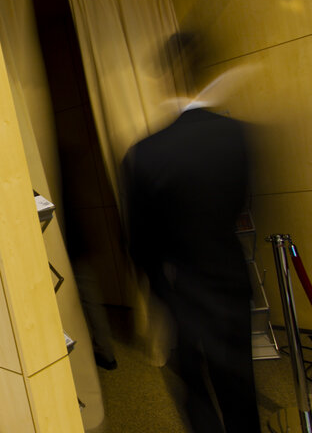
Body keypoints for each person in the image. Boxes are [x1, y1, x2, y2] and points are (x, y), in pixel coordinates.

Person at [121, 35, 260, 433]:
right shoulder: (237, 135)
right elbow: (243, 204)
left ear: (165, 76)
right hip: (230, 278)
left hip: (181, 288)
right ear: (202, 70)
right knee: (239, 384)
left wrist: (164, 291)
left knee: (194, 388)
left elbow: (139, 243)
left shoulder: (145, 152)